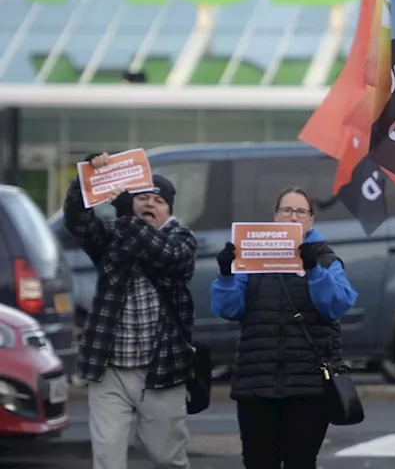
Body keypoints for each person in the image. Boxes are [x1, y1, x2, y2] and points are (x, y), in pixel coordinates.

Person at [64, 153, 197, 469]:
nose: (150, 204)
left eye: (158, 200)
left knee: (167, 458)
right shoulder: (111, 236)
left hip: (161, 370)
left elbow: (166, 256)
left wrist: (127, 216)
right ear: (130, 203)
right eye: (142, 198)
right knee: (108, 459)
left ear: (169, 211)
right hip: (110, 370)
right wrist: (87, 179)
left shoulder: (182, 239)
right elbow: (77, 221)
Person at [210, 187, 358, 469]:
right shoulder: (252, 257)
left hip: (308, 388)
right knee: (258, 462)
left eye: (300, 212)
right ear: (275, 216)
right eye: (286, 211)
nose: (293, 217)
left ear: (311, 220)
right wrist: (226, 275)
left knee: (300, 461)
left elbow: (337, 305)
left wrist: (314, 271)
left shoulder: (325, 259)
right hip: (258, 385)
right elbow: (228, 309)